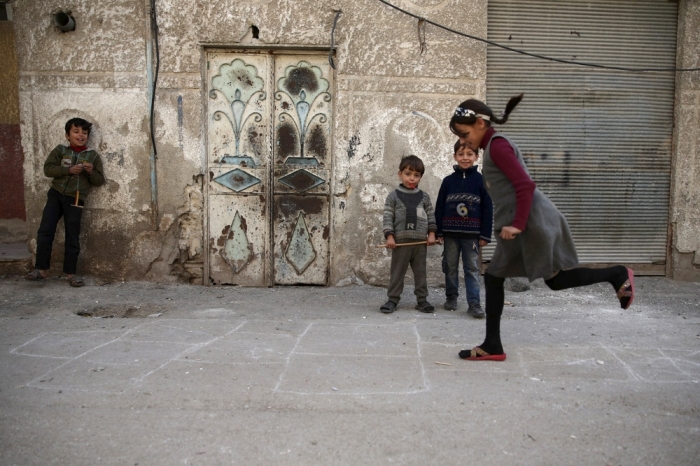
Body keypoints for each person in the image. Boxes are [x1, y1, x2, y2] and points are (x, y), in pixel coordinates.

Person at [449, 95, 635, 361]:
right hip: (523, 221)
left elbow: (525, 186)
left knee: (518, 279)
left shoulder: (498, 146)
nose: (464, 141)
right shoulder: (493, 146)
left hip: (528, 222)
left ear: (480, 123)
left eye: (465, 134)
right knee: (534, 280)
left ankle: (617, 273)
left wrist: (517, 225)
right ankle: (492, 345)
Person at [25, 118, 105, 287]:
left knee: (72, 235)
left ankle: (71, 273)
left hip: (76, 198)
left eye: (84, 133)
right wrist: (67, 170)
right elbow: (48, 169)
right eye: (76, 132)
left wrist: (90, 172)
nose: (80, 135)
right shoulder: (60, 150)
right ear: (67, 135)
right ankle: (41, 270)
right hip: (56, 195)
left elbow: (99, 180)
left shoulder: (92, 156)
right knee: (45, 231)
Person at [435, 141, 493, 317]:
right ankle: (451, 297)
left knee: (472, 269)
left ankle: (474, 303)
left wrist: (485, 234)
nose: (465, 158)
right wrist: (438, 231)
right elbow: (439, 207)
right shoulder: (447, 181)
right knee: (450, 266)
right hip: (451, 235)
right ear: (455, 157)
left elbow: (488, 209)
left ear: (476, 157)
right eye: (461, 154)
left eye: (469, 154)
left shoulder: (481, 181)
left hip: (472, 236)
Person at [381, 155, 438, 314]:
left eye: (416, 175)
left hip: (420, 243)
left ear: (420, 177)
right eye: (408, 174)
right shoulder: (393, 196)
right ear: (400, 174)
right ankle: (392, 299)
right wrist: (390, 236)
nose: (412, 178)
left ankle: (422, 300)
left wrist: (432, 233)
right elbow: (387, 217)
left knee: (420, 273)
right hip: (401, 242)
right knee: (397, 271)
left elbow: (431, 215)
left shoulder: (424, 197)